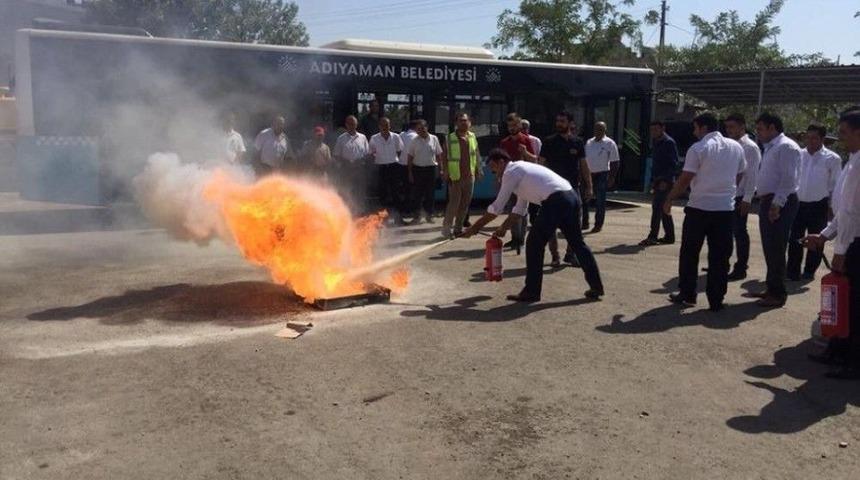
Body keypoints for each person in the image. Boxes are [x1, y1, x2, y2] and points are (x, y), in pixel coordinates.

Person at [461, 148, 604, 302]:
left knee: (534, 244)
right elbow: (520, 209)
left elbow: (496, 207)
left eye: (494, 169)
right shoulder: (521, 171)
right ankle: (596, 286)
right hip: (571, 197)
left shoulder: (511, 172)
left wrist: (473, 228)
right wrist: (503, 228)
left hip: (555, 200)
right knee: (578, 244)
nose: (494, 174)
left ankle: (532, 291)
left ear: (501, 162)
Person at [663, 112, 746, 312]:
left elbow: (685, 178)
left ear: (703, 128)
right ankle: (716, 300)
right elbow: (741, 172)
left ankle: (688, 294)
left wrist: (669, 198)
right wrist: (727, 189)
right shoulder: (736, 147)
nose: (694, 132)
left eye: (695, 128)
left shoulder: (699, 148)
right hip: (725, 210)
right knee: (720, 256)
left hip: (699, 208)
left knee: (690, 254)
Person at [802, 109, 860, 379]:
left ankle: (852, 361)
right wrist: (823, 235)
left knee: (854, 304)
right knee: (842, 301)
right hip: (849, 239)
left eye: (846, 133)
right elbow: (841, 211)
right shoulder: (852, 160)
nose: (843, 138)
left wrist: (841, 250)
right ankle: (836, 350)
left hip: (855, 244)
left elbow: (852, 214)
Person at [752, 112, 802, 307]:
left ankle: (778, 294)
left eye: (760, 129)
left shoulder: (786, 147)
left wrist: (777, 204)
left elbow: (789, 179)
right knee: (770, 247)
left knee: (776, 247)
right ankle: (772, 288)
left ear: (772, 128)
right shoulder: (771, 147)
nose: (758, 133)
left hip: (781, 201)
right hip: (769, 200)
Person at [787, 124, 843, 280]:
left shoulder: (832, 158)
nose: (810, 141)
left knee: (816, 240)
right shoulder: (799, 154)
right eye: (808, 137)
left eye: (814, 138)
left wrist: (832, 207)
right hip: (798, 204)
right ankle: (792, 270)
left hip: (818, 205)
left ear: (822, 139)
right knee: (794, 238)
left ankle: (809, 270)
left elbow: (835, 185)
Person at [539, 111, 593, 266]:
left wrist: (589, 186)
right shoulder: (549, 142)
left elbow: (584, 166)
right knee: (551, 224)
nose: (559, 124)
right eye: (557, 121)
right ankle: (555, 256)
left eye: (562, 121)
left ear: (570, 124)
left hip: (573, 189)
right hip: (552, 190)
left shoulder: (577, 142)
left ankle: (570, 255)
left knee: (575, 223)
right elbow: (541, 164)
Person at [723, 113, 761, 281]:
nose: (729, 130)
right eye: (727, 127)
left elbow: (752, 175)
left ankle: (741, 267)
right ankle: (722, 263)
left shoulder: (750, 147)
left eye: (732, 127)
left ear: (742, 127)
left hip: (740, 196)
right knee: (725, 233)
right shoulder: (728, 144)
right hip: (726, 195)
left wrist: (747, 198)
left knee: (739, 232)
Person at [499, 112, 537, 250]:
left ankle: (521, 238)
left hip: (524, 180)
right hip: (510, 180)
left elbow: (534, 159)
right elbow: (500, 163)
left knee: (522, 210)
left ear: (520, 125)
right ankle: (515, 238)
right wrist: (499, 178)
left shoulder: (526, 140)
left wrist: (525, 152)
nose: (512, 128)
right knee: (511, 209)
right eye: (510, 126)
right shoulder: (504, 142)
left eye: (514, 125)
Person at [441, 113, 482, 238]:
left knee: (465, 204)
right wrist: (445, 172)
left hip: (470, 176)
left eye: (465, 120)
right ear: (456, 123)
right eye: (460, 121)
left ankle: (458, 229)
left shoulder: (472, 136)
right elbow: (444, 157)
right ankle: (446, 230)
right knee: (453, 205)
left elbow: (476, 154)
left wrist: (478, 170)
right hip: (455, 177)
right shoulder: (450, 138)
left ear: (470, 122)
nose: (463, 123)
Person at [640, 120, 679, 246]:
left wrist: (665, 181)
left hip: (665, 182)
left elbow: (673, 164)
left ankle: (653, 236)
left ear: (663, 129)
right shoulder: (656, 142)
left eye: (656, 129)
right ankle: (669, 236)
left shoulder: (668, 143)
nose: (653, 132)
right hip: (657, 180)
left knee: (657, 208)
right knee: (663, 209)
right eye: (652, 130)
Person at [584, 121, 620, 233]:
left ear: (605, 130)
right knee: (584, 198)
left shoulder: (610, 143)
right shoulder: (589, 142)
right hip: (589, 174)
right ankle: (584, 222)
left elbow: (615, 161)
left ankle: (598, 224)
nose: (598, 132)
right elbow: (583, 159)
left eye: (600, 129)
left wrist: (612, 177)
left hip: (602, 174)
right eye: (596, 129)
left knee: (600, 201)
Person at [369, 117, 405, 225]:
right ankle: (382, 220)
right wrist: (381, 158)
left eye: (387, 125)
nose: (384, 127)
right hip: (381, 168)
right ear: (379, 126)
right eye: (382, 125)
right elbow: (371, 152)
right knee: (382, 195)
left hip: (394, 167)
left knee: (396, 194)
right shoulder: (374, 138)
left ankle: (398, 219)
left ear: (390, 126)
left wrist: (391, 159)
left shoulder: (396, 137)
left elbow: (399, 151)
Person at [406, 119, 443, 224]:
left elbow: (439, 155)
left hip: (430, 170)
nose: (420, 130)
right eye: (418, 129)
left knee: (430, 195)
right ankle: (417, 217)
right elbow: (410, 157)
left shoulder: (434, 139)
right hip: (417, 170)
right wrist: (410, 172)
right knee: (417, 195)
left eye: (422, 128)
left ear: (427, 127)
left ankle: (429, 216)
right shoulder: (414, 141)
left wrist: (441, 169)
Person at [333, 115, 370, 207]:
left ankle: (360, 210)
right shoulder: (341, 138)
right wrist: (346, 162)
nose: (351, 126)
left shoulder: (363, 138)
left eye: (353, 124)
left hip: (359, 169)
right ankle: (347, 210)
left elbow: (367, 154)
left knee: (360, 191)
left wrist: (360, 161)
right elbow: (336, 155)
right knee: (346, 190)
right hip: (346, 169)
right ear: (346, 125)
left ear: (356, 125)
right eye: (349, 124)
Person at [399, 120, 420, 220]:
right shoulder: (416, 137)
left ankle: (404, 209)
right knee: (413, 189)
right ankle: (410, 210)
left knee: (405, 189)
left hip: (401, 165)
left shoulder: (402, 135)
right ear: (416, 127)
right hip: (412, 166)